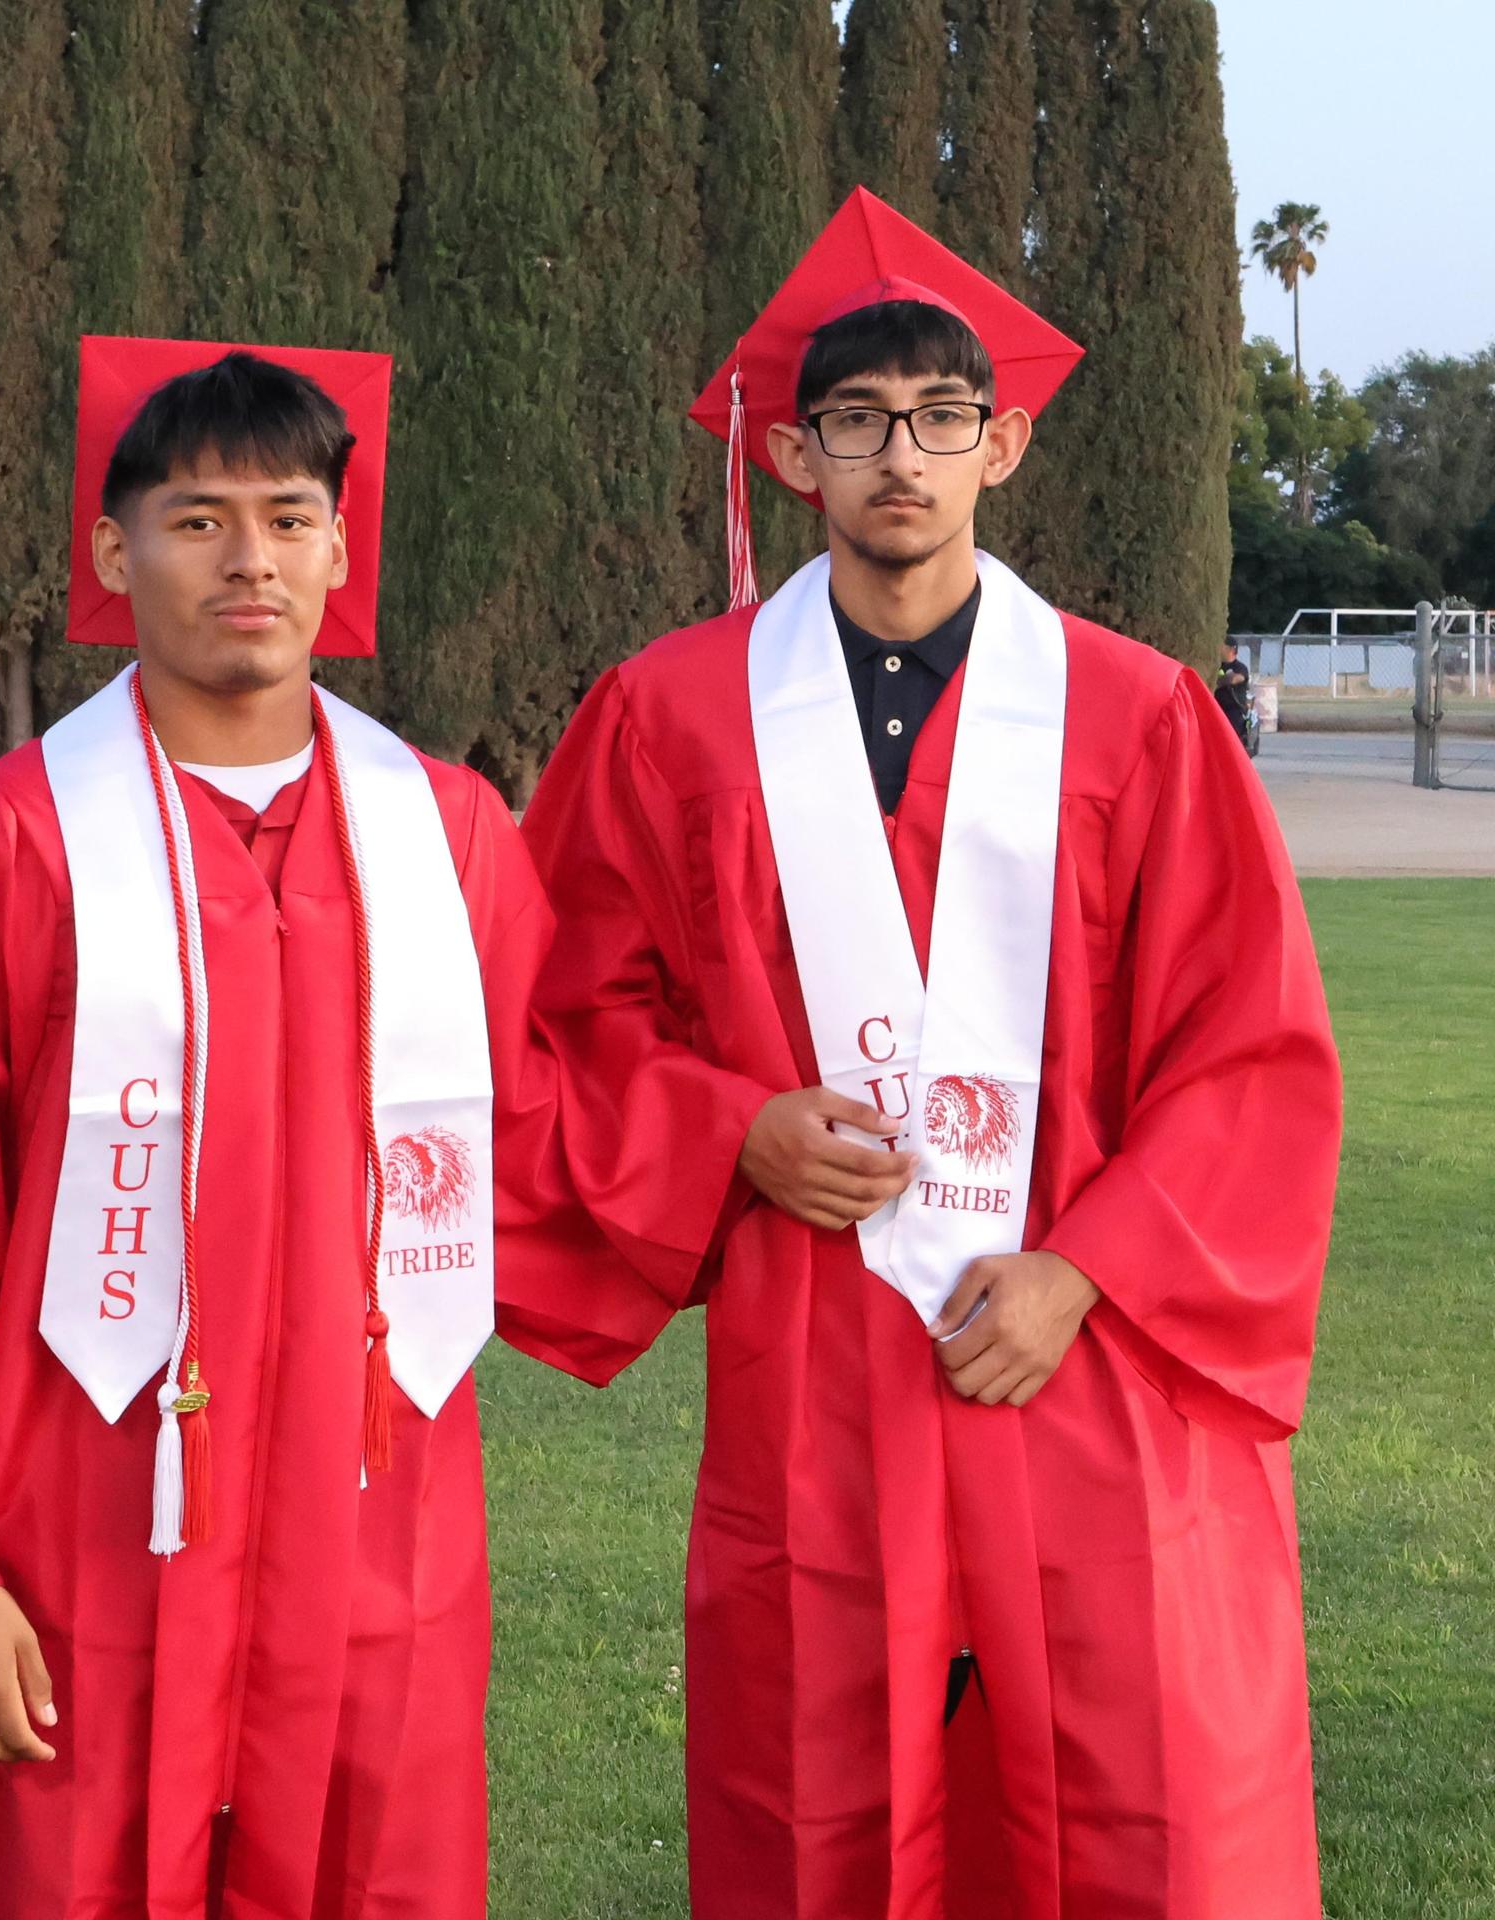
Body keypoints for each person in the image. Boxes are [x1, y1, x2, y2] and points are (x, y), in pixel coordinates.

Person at [502, 188, 1343, 1918]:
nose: (904, 456)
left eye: (942, 421)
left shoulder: (1139, 716)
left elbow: (1247, 1054)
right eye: (862, 423)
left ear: (1004, 447)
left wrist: (1088, 1272)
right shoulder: (667, 717)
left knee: (1136, 1796)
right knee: (821, 1807)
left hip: (1087, 1358)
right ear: (796, 457)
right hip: (822, 1350)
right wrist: (727, 1129)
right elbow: (556, 1016)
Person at [0, 340, 619, 1919]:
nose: (249, 557)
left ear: (343, 550)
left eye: (287, 516)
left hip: (373, 1508)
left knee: (370, 1862)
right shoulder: (0, 842)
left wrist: (742, 1137)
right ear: (110, 555)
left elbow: (550, 1131)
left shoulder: (448, 832)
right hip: (80, 1513)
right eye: (196, 519)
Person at [1216, 636, 1256, 749]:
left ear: (1232, 649)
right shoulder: (1217, 666)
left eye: (1222, 647)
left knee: (1231, 743)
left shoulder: (1240, 667)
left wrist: (1217, 681)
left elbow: (1235, 679)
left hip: (1234, 711)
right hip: (1217, 708)